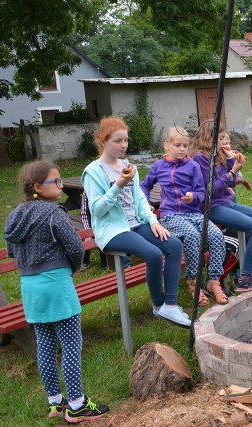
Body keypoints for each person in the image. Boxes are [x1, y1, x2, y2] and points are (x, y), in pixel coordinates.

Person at [4, 161, 109, 423]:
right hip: (57, 285)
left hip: (30, 288)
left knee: (45, 345)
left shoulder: (15, 216)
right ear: (38, 187)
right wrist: (69, 269)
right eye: (56, 181)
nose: (61, 185)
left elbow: (11, 251)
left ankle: (55, 402)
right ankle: (77, 404)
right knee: (71, 345)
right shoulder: (54, 214)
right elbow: (76, 247)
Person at [82, 116, 189, 327]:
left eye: (126, 140)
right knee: (154, 254)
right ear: (103, 141)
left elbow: (140, 201)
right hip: (112, 231)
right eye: (118, 141)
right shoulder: (93, 171)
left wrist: (153, 221)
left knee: (174, 245)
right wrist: (118, 185)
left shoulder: (129, 166)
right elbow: (97, 210)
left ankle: (171, 304)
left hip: (136, 223)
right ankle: (159, 307)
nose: (123, 145)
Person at [141, 126, 228, 306]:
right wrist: (146, 203)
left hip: (194, 214)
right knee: (192, 236)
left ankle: (213, 281)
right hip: (171, 216)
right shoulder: (159, 166)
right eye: (178, 145)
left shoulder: (193, 166)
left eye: (185, 146)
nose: (182, 149)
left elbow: (202, 193)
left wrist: (193, 197)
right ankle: (193, 282)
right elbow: (144, 186)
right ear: (167, 146)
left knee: (216, 235)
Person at [191, 119, 252, 292]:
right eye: (221, 138)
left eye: (226, 138)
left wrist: (232, 162)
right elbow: (210, 191)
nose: (225, 141)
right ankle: (244, 278)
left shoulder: (218, 156)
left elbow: (229, 184)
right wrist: (232, 171)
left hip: (226, 203)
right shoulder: (200, 159)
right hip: (212, 208)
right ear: (210, 138)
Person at [79, 191, 131, 271]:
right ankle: (85, 260)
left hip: (108, 222)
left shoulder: (109, 189)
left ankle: (105, 264)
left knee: (105, 234)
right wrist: (88, 232)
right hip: (92, 222)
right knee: (89, 236)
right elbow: (84, 215)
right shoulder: (87, 193)